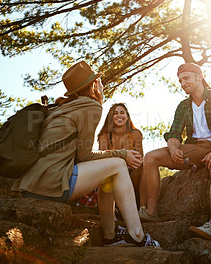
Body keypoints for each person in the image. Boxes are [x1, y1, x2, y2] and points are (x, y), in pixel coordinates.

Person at [11, 61, 159, 247]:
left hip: (33, 185)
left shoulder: (63, 106)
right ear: (94, 84)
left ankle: (110, 235)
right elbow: (85, 156)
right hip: (53, 183)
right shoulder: (91, 106)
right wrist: (122, 154)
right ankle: (138, 235)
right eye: (100, 81)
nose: (102, 85)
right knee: (119, 165)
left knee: (109, 174)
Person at [138, 63, 211, 240]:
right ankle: (152, 212)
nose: (182, 83)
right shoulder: (183, 105)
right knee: (150, 157)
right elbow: (174, 133)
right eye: (180, 80)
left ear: (199, 77)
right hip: (194, 148)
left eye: (186, 78)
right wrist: (173, 148)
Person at [98, 103, 144, 207]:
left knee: (142, 167)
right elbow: (102, 156)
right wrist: (124, 156)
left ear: (127, 117)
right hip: (112, 172)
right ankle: (115, 206)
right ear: (111, 117)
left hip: (132, 172)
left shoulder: (135, 134)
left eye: (122, 113)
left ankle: (143, 207)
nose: (119, 116)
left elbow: (140, 157)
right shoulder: (104, 135)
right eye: (115, 113)